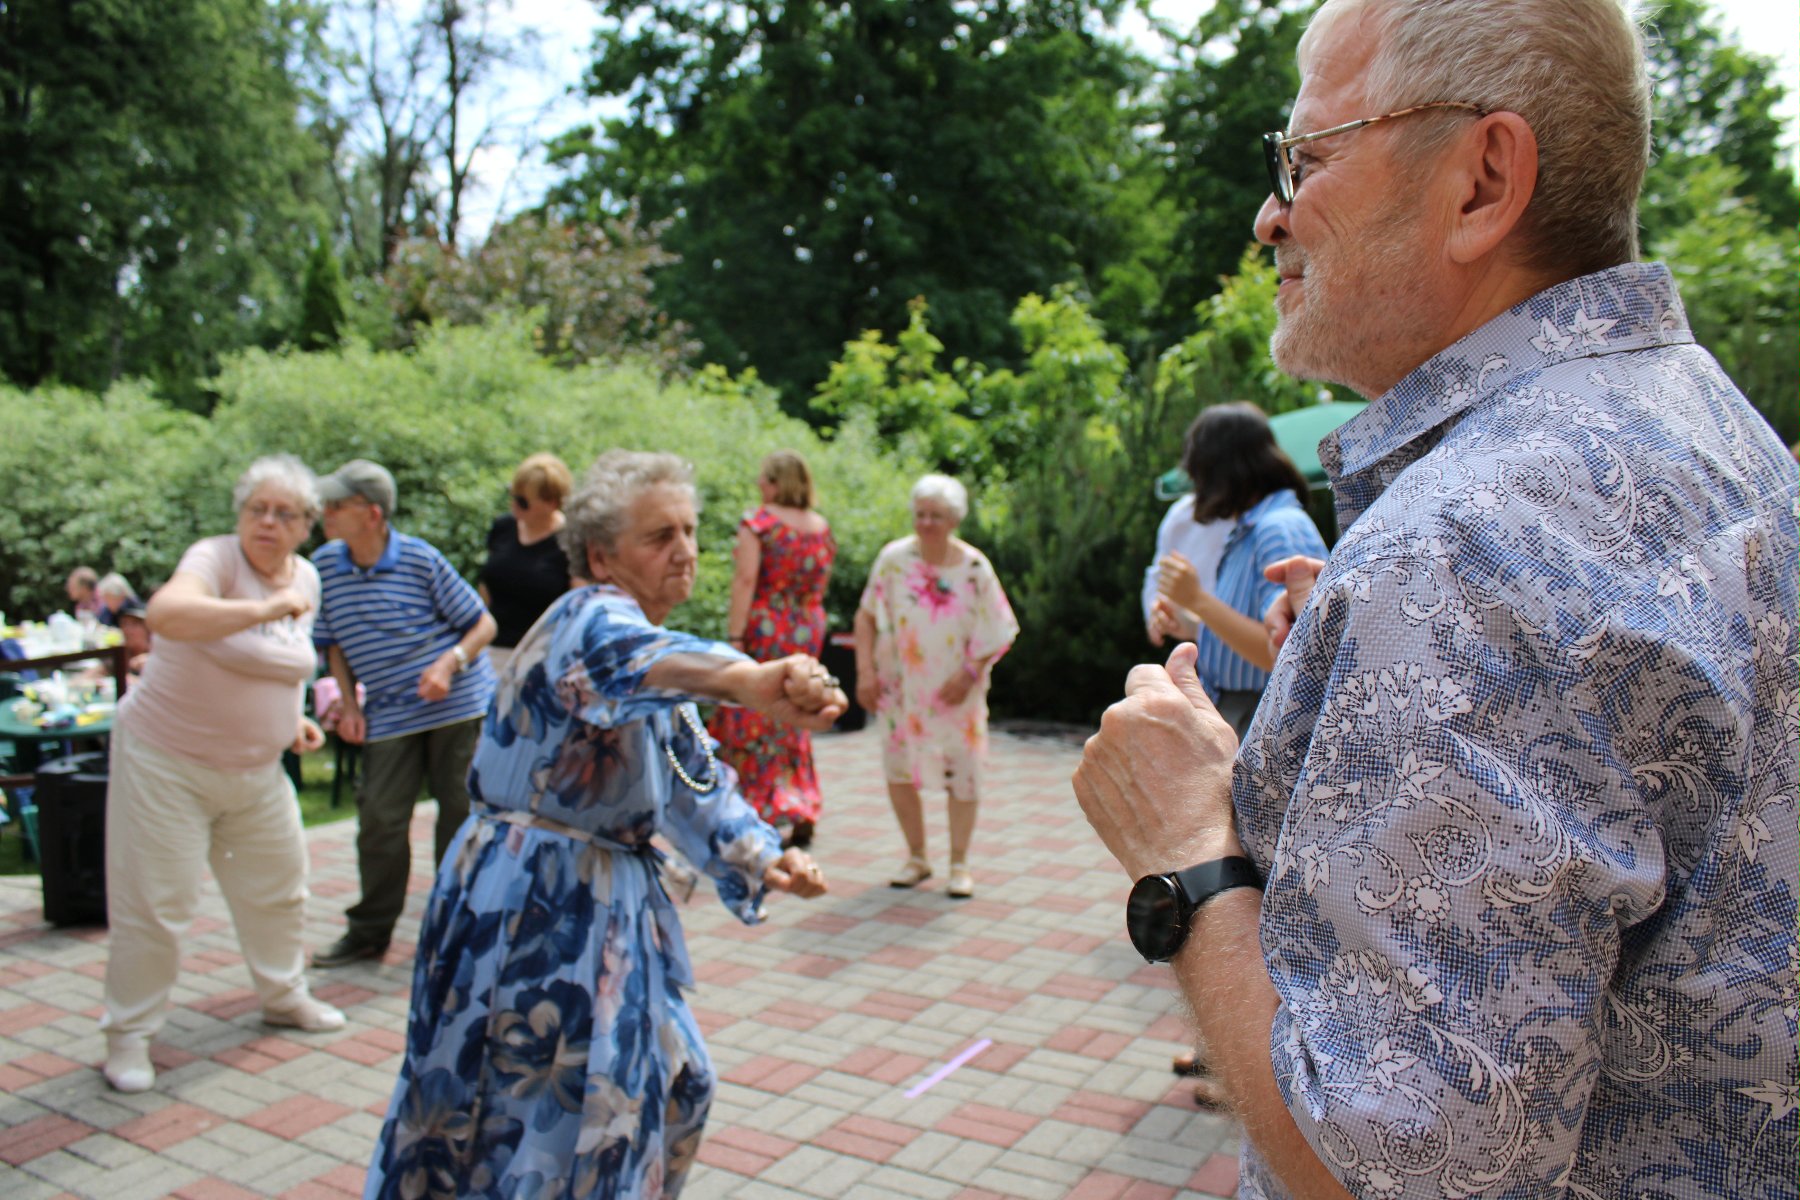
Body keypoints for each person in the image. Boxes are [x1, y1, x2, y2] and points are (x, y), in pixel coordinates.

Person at [1075, 2, 1800, 1197]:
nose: (1269, 215)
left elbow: (1384, 1178)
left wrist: (1187, 853)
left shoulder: (1462, 550)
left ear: (1482, 182)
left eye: (1304, 160)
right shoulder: (1714, 431)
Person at [364, 450, 838, 1198]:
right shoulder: (590, 620)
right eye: (659, 536)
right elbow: (629, 659)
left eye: (689, 530)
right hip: (530, 906)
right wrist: (749, 680)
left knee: (672, 1089)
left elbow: (689, 781)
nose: (684, 549)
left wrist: (761, 854)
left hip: (600, 906)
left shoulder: (655, 663)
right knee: (528, 1128)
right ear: (599, 555)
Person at [99, 455, 344, 1094]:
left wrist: (290, 721)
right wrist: (265, 609)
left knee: (282, 887)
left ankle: (284, 995)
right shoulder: (214, 559)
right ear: (239, 515)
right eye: (256, 509)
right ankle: (128, 1036)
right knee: (156, 905)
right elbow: (168, 616)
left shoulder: (308, 579)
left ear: (306, 526)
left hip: (257, 770)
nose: (266, 521)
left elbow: (285, 664)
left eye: (283, 513)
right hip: (166, 763)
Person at [309, 459, 498, 969]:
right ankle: (369, 933)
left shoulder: (419, 559)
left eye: (337, 504)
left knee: (459, 818)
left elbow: (482, 626)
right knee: (379, 821)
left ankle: (458, 933)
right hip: (390, 713)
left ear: (371, 514)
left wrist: (447, 663)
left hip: (456, 704)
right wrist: (349, 705)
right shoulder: (324, 566)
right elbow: (333, 645)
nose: (324, 512)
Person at [854, 473, 1018, 899]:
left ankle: (959, 863)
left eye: (936, 516)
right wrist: (865, 674)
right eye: (920, 514)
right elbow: (866, 615)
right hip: (900, 688)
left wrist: (969, 673)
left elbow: (999, 628)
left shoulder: (974, 567)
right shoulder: (893, 559)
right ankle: (916, 856)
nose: (926, 523)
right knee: (900, 770)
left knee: (962, 772)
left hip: (955, 690)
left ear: (954, 520)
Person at [1150, 403, 1329, 739]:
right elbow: (1254, 638)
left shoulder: (1279, 528)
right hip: (1244, 710)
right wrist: (1191, 624)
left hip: (1260, 716)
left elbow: (1289, 654)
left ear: (1220, 472)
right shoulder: (1253, 528)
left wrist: (1198, 600)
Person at [707, 449, 837, 848]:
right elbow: (821, 584)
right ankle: (800, 803)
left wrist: (734, 637)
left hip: (765, 626)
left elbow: (746, 579)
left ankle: (752, 805)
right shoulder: (820, 526)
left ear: (778, 482)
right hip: (805, 626)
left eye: (765, 478)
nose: (759, 485)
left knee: (752, 710)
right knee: (796, 712)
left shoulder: (759, 522)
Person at [477, 452, 575, 674]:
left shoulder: (570, 542)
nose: (514, 506)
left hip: (540, 657)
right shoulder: (503, 527)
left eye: (523, 501)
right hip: (491, 650)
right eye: (512, 496)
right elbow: (486, 585)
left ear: (551, 502)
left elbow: (577, 604)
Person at [1142, 489, 1232, 649]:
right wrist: (1158, 610)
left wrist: (1196, 605)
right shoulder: (1181, 513)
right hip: (1201, 652)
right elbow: (1158, 576)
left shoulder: (1264, 521)